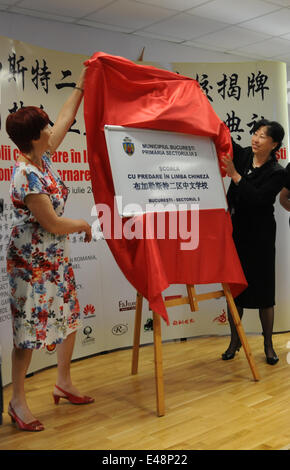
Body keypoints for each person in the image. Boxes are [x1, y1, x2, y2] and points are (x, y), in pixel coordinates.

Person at [6, 67, 94, 432]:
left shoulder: (44, 156)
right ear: (33, 137)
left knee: (70, 315)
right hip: (31, 263)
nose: (51, 129)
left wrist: (81, 85)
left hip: (53, 257)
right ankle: (18, 401)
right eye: (43, 126)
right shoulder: (26, 174)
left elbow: (64, 117)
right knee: (27, 333)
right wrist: (85, 225)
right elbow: (53, 224)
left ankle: (63, 381)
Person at [221, 119, 286, 366]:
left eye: (262, 136)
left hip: (260, 236)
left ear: (274, 144)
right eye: (255, 133)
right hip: (236, 233)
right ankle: (234, 341)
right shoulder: (245, 155)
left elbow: (259, 199)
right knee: (235, 289)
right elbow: (225, 139)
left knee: (264, 292)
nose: (256, 139)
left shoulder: (277, 172)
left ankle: (268, 345)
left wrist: (236, 176)